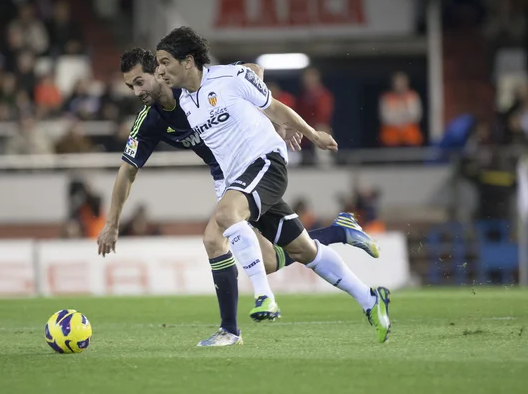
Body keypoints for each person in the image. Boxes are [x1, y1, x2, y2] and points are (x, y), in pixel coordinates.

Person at [97, 48, 380, 346]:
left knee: (213, 238)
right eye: (131, 86)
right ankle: (338, 232)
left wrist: (269, 115)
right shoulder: (150, 121)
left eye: (140, 81)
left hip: (252, 161)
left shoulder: (191, 81)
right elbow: (126, 172)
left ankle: (230, 329)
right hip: (226, 176)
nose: (137, 91)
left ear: (158, 71)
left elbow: (253, 70)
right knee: (269, 261)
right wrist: (112, 223)